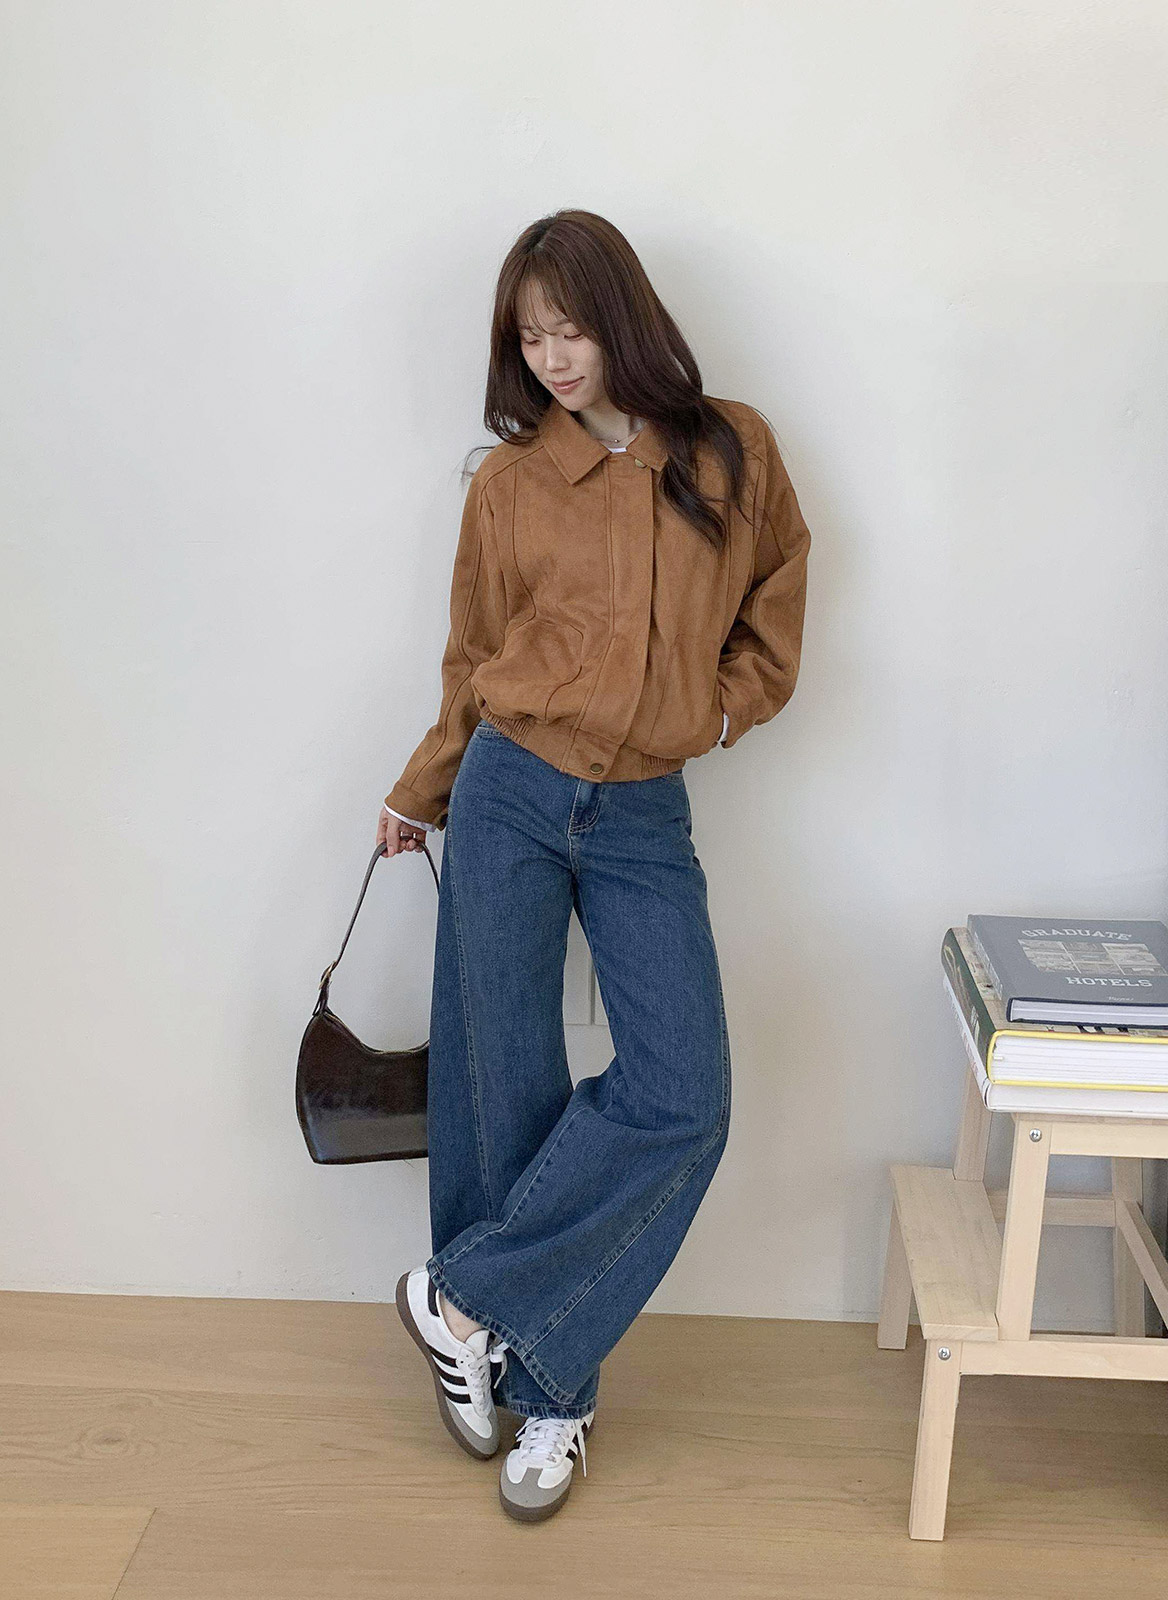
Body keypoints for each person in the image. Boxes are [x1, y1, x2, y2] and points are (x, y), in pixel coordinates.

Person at [381, 209, 811, 1522]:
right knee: (500, 1081)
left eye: (572, 329)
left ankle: (465, 1300)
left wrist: (718, 711)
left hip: (640, 811)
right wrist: (420, 790)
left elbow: (779, 595)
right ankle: (547, 1396)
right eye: (531, 338)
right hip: (510, 790)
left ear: (623, 318)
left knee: (684, 1094)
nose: (556, 359)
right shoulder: (509, 485)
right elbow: (474, 659)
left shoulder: (731, 450)